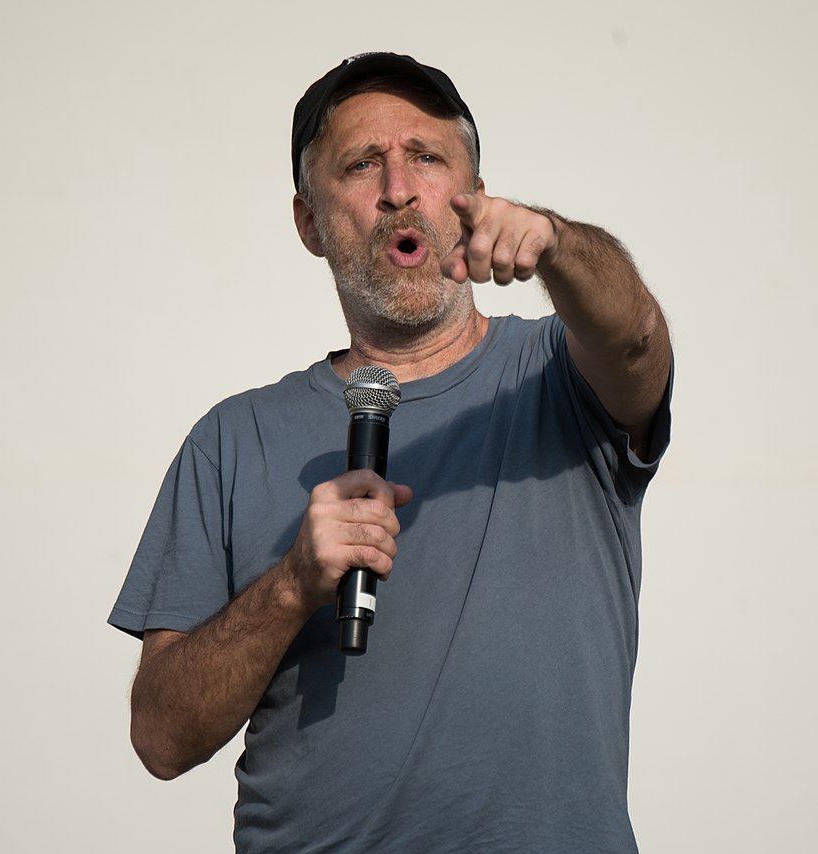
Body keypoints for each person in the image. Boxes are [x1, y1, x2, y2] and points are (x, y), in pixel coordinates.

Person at [108, 52, 672, 852]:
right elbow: (162, 738)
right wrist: (294, 583)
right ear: (309, 221)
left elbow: (638, 336)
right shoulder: (234, 440)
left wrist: (557, 245)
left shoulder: (561, 378)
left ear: (474, 194)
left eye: (428, 157)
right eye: (363, 164)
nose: (399, 188)